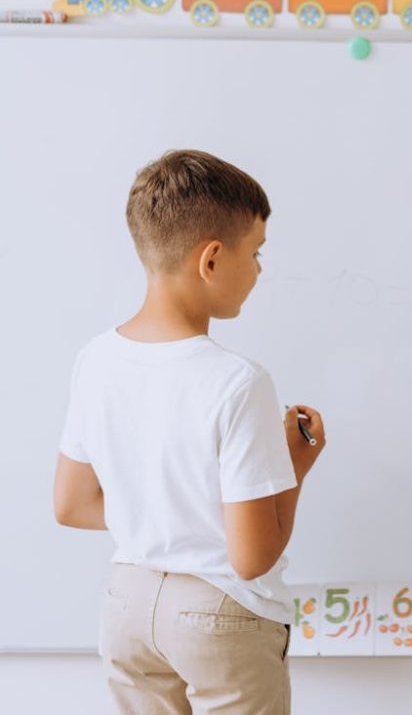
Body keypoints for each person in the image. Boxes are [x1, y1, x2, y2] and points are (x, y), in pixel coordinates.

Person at [53, 149, 325, 715]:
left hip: (126, 604)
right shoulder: (238, 381)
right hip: (219, 610)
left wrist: (160, 511)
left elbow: (72, 504)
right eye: (256, 252)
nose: (259, 270)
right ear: (212, 260)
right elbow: (251, 558)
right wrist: (294, 469)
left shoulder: (95, 359)